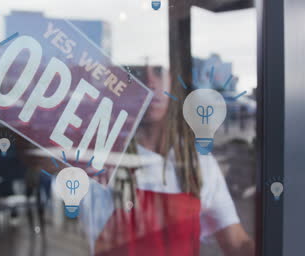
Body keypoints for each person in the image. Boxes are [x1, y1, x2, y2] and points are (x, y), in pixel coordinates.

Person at [81, 66, 254, 256]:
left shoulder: (198, 164)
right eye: (138, 73)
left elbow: (236, 243)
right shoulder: (100, 159)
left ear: (172, 80)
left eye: (158, 71)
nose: (150, 82)